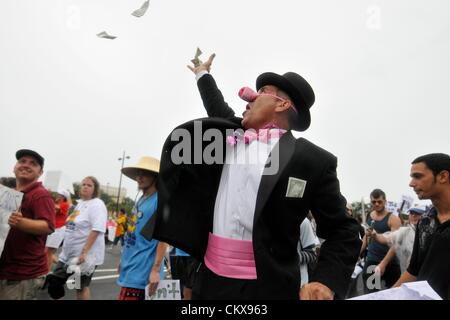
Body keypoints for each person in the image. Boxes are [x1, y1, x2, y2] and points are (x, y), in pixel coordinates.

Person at [144, 54, 362, 300]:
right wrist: (202, 74)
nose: (249, 97)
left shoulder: (313, 161)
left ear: (281, 105)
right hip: (209, 283)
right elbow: (215, 104)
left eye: (262, 92)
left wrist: (325, 281)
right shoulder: (228, 136)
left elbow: (343, 230)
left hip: (269, 288)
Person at [0, 149, 55, 300]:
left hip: (22, 275)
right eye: (22, 161)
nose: (26, 165)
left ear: (40, 172)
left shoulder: (40, 194)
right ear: (14, 167)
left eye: (33, 163)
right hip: (6, 269)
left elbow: (48, 226)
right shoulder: (9, 194)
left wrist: (20, 222)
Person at [394, 153, 450, 299]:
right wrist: (388, 295)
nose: (411, 183)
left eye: (417, 176)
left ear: (443, 176)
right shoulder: (425, 222)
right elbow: (414, 271)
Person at [46, 176, 107, 300]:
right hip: (68, 254)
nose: (85, 186)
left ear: (95, 189)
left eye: (89, 185)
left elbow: (97, 229)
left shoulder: (97, 204)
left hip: (85, 256)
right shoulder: (80, 204)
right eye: (83, 184)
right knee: (54, 283)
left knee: (79, 287)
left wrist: (84, 252)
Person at [117, 156, 169, 300]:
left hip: (144, 274)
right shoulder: (141, 198)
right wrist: (123, 258)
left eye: (144, 173)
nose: (139, 177)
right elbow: (133, 234)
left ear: (155, 177)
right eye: (138, 173)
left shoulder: (159, 201)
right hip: (131, 268)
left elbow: (163, 238)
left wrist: (156, 269)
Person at [361, 189, 402, 293]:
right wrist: (357, 253)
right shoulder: (369, 216)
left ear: (385, 201)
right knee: (371, 295)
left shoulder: (393, 219)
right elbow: (366, 236)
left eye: (379, 201)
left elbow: (395, 244)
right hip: (372, 261)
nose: (377, 204)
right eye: (374, 202)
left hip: (390, 263)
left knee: (394, 295)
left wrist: (383, 263)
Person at [370, 206, 424, 273]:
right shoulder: (404, 232)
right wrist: (375, 235)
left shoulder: (430, 232)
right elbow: (387, 238)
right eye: (411, 213)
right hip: (408, 275)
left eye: (417, 213)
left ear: (423, 216)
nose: (413, 215)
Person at [46, 189, 71, 271]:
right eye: (58, 194)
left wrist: (48, 197)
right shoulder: (58, 203)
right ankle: (64, 266)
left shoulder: (65, 204)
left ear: (64, 197)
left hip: (59, 230)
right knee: (47, 252)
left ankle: (47, 272)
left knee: (48, 252)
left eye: (60, 195)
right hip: (53, 228)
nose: (58, 196)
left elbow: (55, 207)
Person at [298, 218, 320, 287]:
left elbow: (312, 254)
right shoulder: (266, 219)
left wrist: (291, 257)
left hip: (299, 285)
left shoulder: (303, 221)